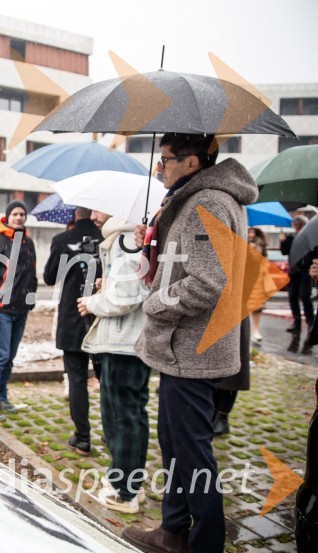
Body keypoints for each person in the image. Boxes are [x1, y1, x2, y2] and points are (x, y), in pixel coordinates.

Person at [122, 133, 256, 553]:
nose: (159, 167)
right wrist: (152, 240)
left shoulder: (207, 204)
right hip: (185, 350)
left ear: (193, 163)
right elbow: (188, 263)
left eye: (166, 160)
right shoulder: (195, 201)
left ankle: (204, 543)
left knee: (193, 454)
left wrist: (156, 303)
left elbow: (208, 282)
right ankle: (173, 530)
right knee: (176, 447)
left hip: (192, 352)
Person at [76, 211, 151, 513]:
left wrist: (92, 302)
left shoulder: (126, 240)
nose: (93, 215)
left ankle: (124, 492)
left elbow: (127, 296)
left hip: (123, 344)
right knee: (131, 416)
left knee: (121, 418)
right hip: (129, 343)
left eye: (99, 209)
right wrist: (106, 287)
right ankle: (132, 484)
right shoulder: (128, 238)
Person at [42, 206, 103, 455]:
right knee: (106, 379)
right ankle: (112, 434)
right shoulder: (106, 239)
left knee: (77, 380)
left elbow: (50, 277)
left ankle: (83, 437)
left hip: (72, 317)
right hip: (101, 317)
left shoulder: (62, 240)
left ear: (74, 213)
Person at [0, 200, 38, 421]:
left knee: (10, 357)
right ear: (7, 217)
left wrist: (30, 301)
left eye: (22, 214)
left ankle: (0, 396)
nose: (19, 217)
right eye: (15, 214)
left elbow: (31, 274)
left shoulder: (28, 242)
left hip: (21, 310)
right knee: (0, 356)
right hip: (1, 310)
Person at [280, 216, 314, 335]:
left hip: (305, 271)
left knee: (305, 296)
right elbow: (284, 251)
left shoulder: (310, 238)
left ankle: (310, 323)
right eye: (296, 223)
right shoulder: (291, 238)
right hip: (293, 271)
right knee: (293, 297)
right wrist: (283, 241)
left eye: (300, 223)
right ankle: (297, 323)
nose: (298, 225)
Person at [247, 227, 269, 342]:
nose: (251, 234)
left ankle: (255, 331)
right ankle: (245, 333)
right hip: (244, 277)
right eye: (249, 232)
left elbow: (265, 259)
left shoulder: (261, 244)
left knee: (257, 306)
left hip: (258, 277)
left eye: (253, 232)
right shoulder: (241, 242)